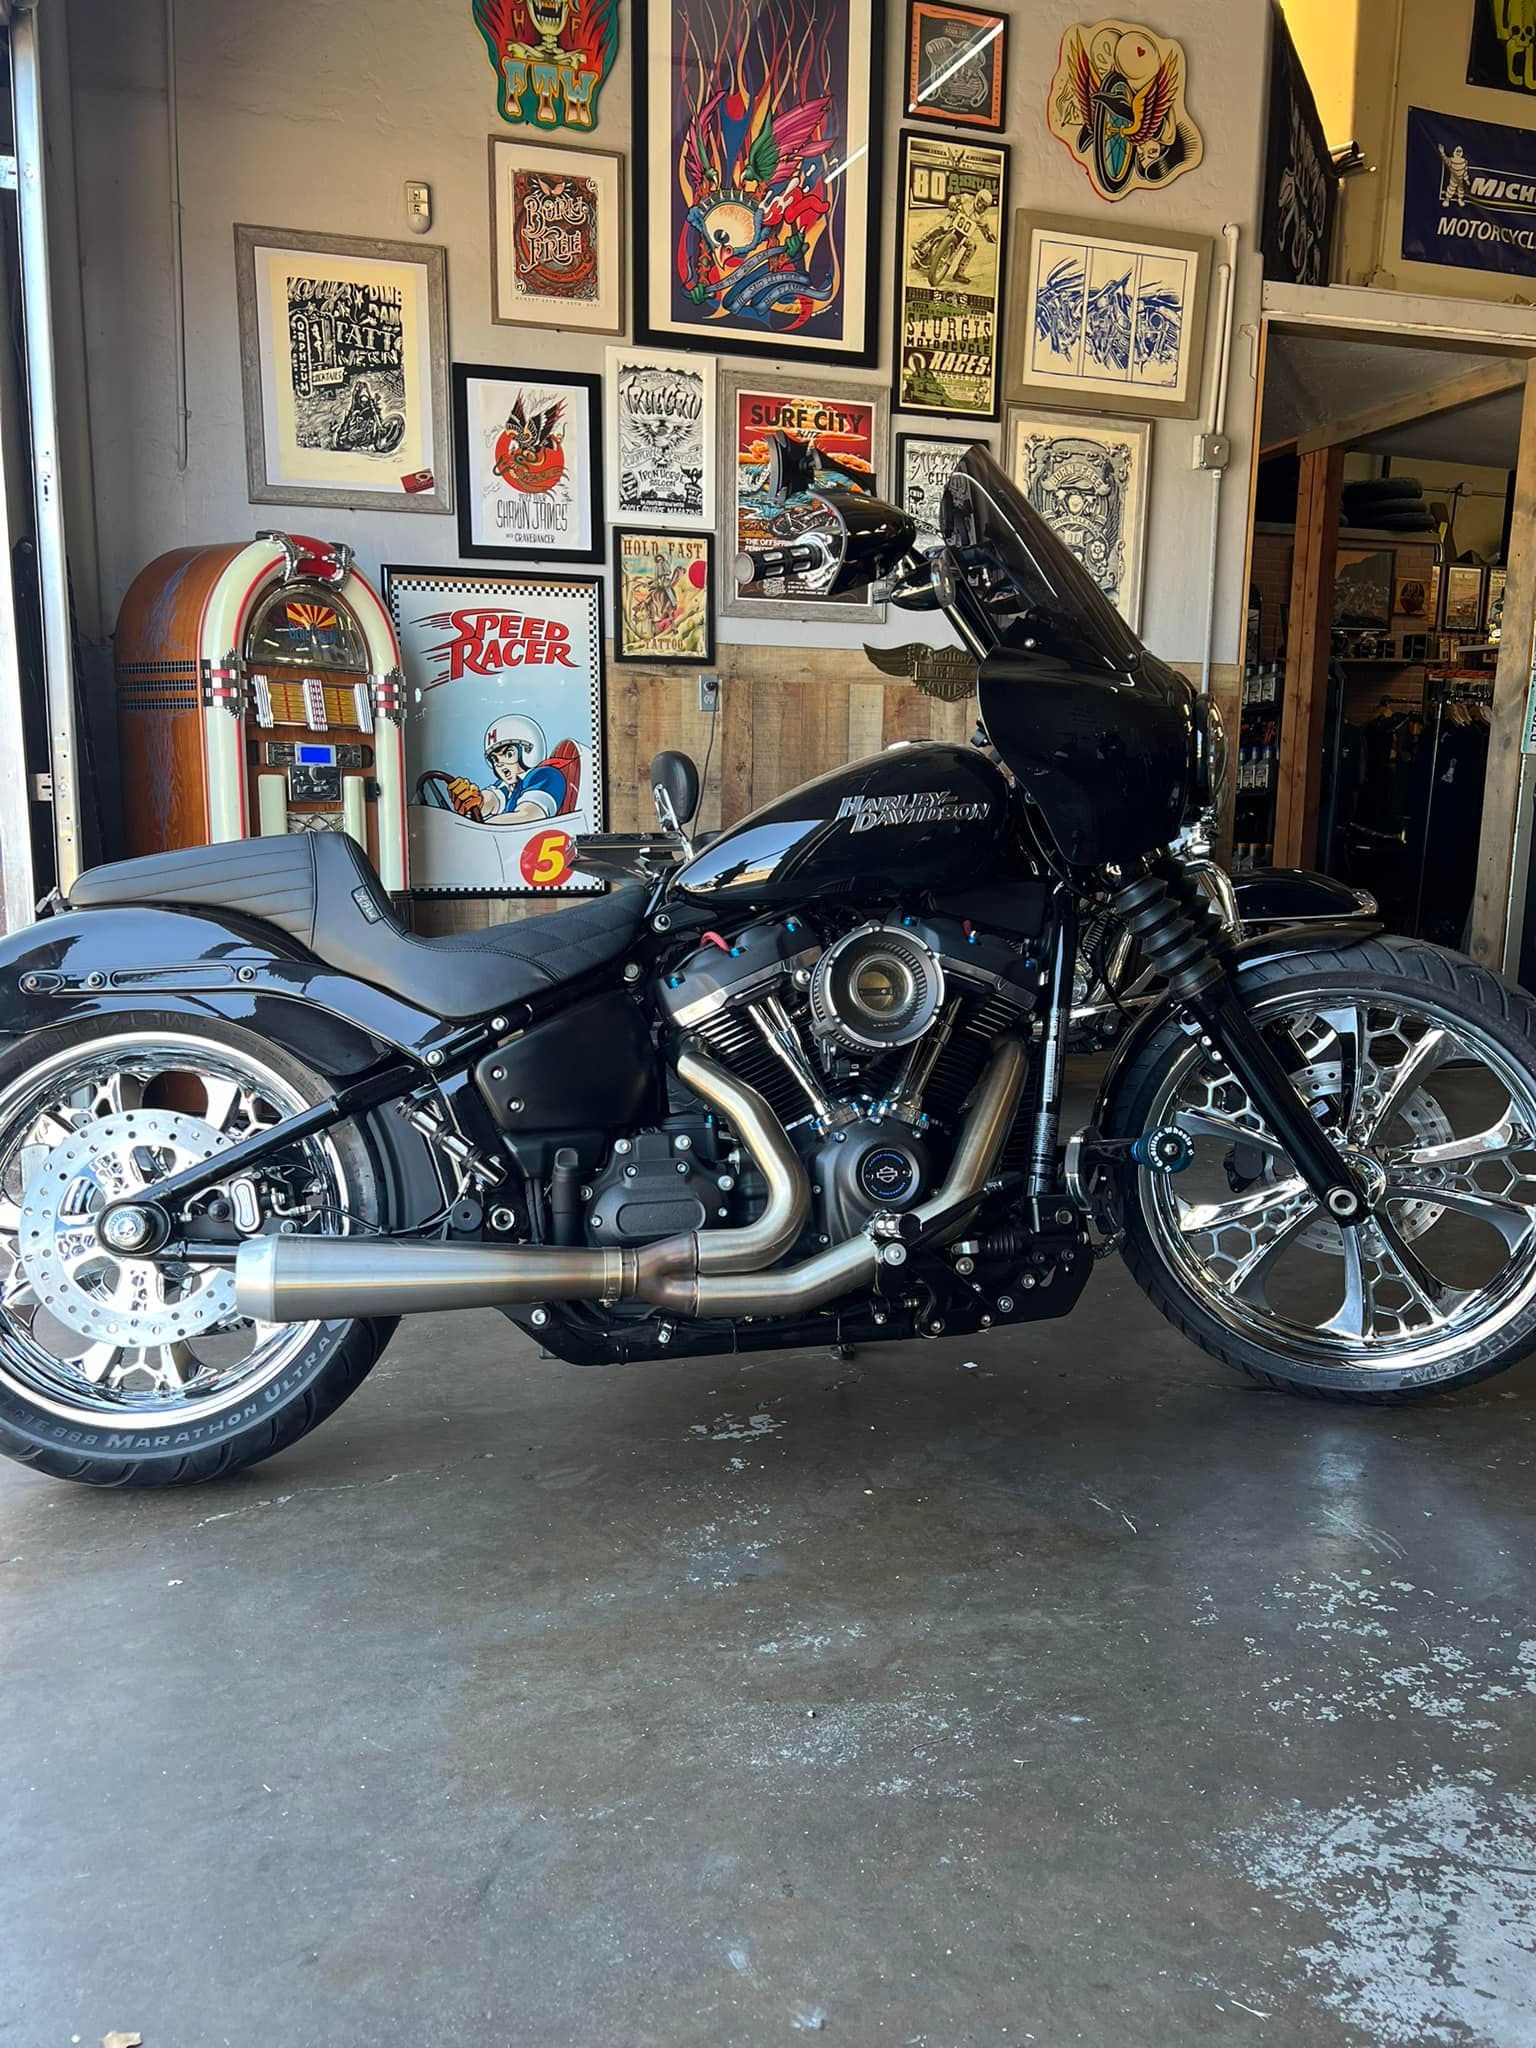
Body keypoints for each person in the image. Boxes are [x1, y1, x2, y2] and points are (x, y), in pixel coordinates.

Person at [448, 714, 571, 822]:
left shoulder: (546, 776)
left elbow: (529, 815)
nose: (500, 764)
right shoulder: (508, 785)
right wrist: (476, 800)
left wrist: (482, 827)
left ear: (528, 751)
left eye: (508, 754)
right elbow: (492, 799)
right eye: (495, 759)